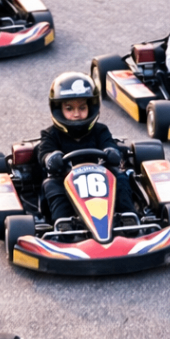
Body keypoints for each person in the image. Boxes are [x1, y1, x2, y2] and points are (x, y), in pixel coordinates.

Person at [36, 71, 136, 225]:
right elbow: (44, 153)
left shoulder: (100, 130)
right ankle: (63, 224)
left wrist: (111, 152)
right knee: (50, 184)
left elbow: (109, 144)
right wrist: (51, 158)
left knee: (120, 177)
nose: (76, 114)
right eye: (69, 108)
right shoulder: (50, 134)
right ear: (58, 109)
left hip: (100, 179)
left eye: (82, 108)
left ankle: (128, 217)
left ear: (91, 107)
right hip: (64, 179)